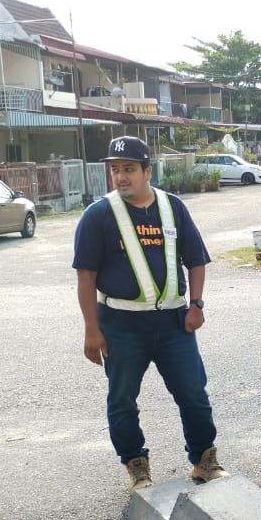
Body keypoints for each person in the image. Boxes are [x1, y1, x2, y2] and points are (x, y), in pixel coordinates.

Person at [73, 136, 226, 491]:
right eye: (115, 170)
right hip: (121, 325)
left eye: (128, 169)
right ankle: (136, 466)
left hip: (174, 322)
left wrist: (197, 304)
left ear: (147, 171)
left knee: (193, 393)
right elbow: (86, 276)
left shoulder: (173, 208)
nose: (121, 177)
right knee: (122, 398)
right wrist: (91, 330)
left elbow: (197, 260)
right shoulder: (98, 215)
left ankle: (205, 461)